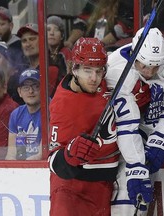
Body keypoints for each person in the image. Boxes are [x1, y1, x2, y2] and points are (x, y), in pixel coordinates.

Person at [48, 37, 150, 216]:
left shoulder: (106, 83)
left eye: (99, 71)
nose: (94, 78)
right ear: (74, 69)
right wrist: (70, 155)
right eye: (87, 71)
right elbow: (53, 162)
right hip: (71, 190)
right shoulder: (63, 105)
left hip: (104, 186)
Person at [105, 27, 164, 215]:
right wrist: (136, 165)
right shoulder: (116, 70)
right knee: (126, 178)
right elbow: (126, 126)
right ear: (134, 54)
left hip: (145, 122)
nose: (150, 72)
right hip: (116, 128)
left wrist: (160, 140)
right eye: (144, 65)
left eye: (155, 66)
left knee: (143, 182)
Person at [17, 23, 66, 97]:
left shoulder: (51, 69)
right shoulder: (21, 69)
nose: (27, 44)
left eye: (32, 39)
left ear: (43, 41)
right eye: (24, 41)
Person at [5, 68, 42, 160]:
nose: (31, 91)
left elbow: (42, 155)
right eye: (26, 87)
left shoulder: (51, 110)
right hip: (22, 167)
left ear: (44, 88)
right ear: (19, 92)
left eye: (36, 86)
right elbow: (11, 153)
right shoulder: (16, 114)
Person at [65, 0, 134, 49]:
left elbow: (123, 28)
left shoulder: (125, 3)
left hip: (111, 49)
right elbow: (81, 22)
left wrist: (98, 45)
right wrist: (70, 41)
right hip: (90, 47)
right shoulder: (93, 3)